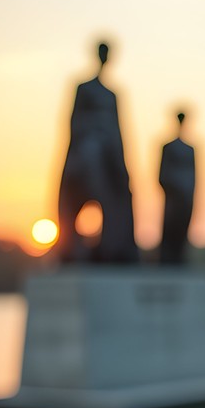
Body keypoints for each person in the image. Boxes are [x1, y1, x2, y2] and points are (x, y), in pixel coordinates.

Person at [57, 41, 139, 264]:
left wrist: (121, 164)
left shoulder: (112, 94)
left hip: (109, 150)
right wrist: (95, 128)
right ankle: (72, 249)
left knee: (124, 190)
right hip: (88, 147)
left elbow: (119, 129)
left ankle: (116, 247)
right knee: (92, 152)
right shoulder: (84, 88)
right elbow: (73, 120)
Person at [158, 111, 197, 264]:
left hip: (186, 195)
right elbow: (161, 175)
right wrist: (174, 188)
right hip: (173, 195)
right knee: (170, 227)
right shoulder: (169, 147)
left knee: (182, 228)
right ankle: (166, 258)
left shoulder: (190, 149)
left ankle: (180, 258)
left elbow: (194, 175)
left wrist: (187, 192)